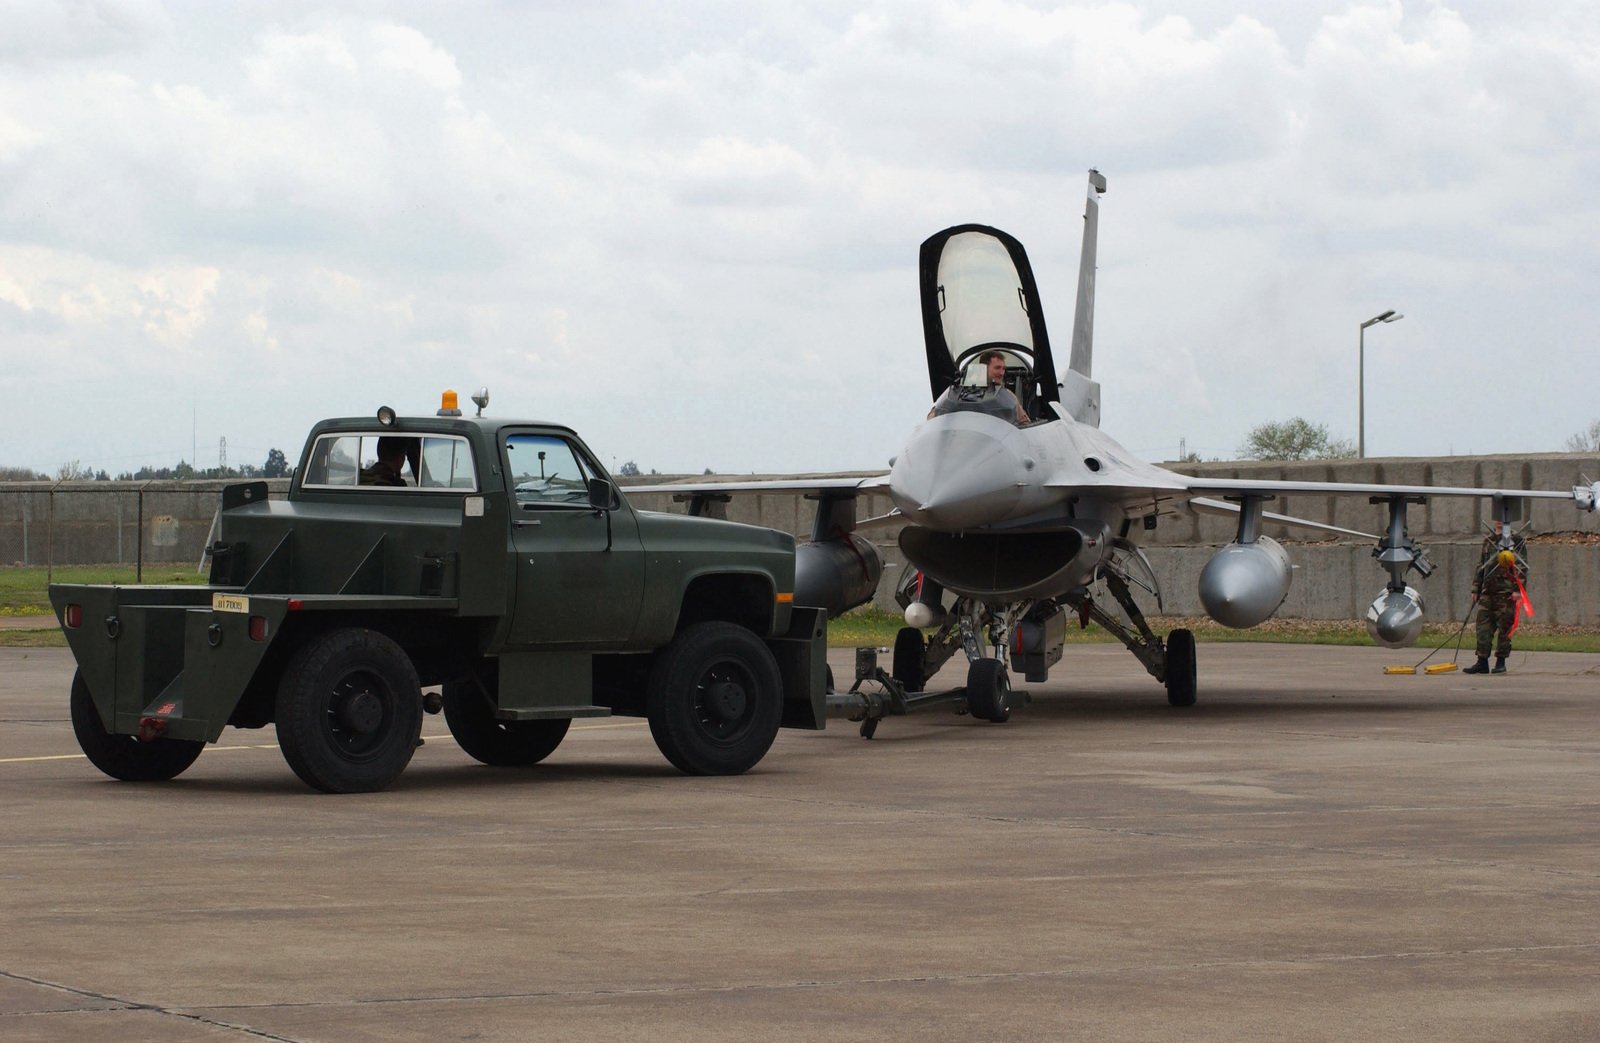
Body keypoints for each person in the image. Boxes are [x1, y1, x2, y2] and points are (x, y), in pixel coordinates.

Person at [1465, 519, 1528, 674]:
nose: (1499, 522)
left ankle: (1501, 662)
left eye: (1503, 519)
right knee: (1482, 627)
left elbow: (1522, 566)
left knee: (1504, 628)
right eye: (1497, 519)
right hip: (1488, 591)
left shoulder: (1516, 540)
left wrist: (1517, 589)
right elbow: (1481, 564)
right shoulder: (1488, 540)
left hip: (1506, 592)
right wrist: (1476, 587)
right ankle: (1482, 661)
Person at [927, 349, 1030, 425]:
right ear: (983, 368)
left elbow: (1025, 423)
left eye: (1003, 369)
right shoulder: (956, 392)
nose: (1002, 373)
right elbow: (932, 418)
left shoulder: (1007, 396)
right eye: (997, 368)